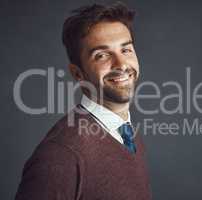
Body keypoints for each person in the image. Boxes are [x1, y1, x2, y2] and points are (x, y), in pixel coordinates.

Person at [15, 2, 152, 200]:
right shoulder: (60, 157)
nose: (121, 65)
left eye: (126, 50)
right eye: (102, 55)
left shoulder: (128, 134)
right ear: (77, 73)